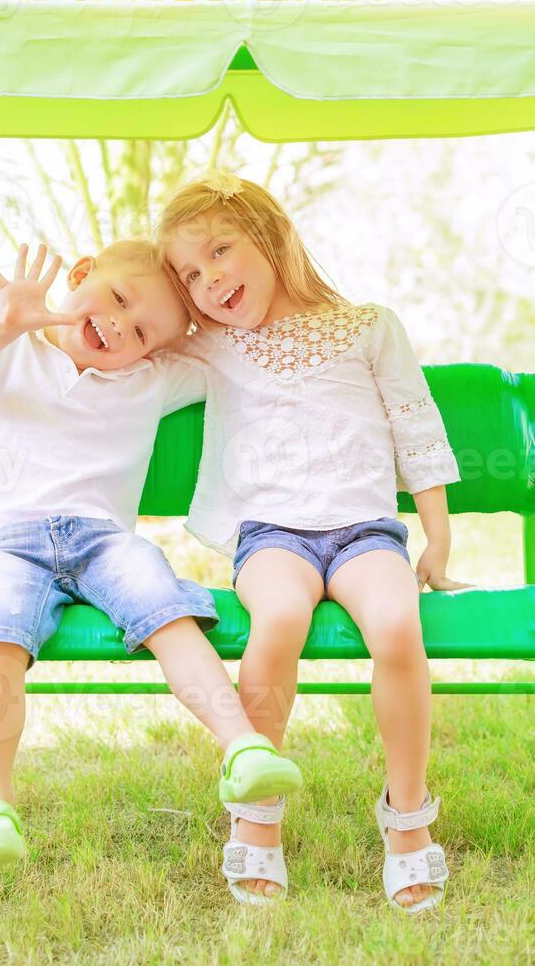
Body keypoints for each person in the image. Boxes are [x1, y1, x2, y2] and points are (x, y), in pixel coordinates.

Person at [0, 238, 304, 874]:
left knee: (162, 604)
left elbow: (236, 351)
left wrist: (192, 314)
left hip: (103, 539)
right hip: (5, 538)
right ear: (78, 275)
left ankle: (242, 746)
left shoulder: (151, 378)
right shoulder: (11, 348)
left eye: (142, 331)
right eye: (118, 299)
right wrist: (6, 321)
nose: (118, 327)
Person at [156, 171, 468, 911]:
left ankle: (406, 818)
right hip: (273, 537)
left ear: (270, 235)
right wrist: (87, 297)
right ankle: (256, 817)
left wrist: (436, 540)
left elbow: (415, 428)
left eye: (220, 251)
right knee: (279, 621)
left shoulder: (368, 326)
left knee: (396, 625)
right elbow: (128, 344)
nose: (209, 281)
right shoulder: (213, 346)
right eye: (190, 275)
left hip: (365, 531)